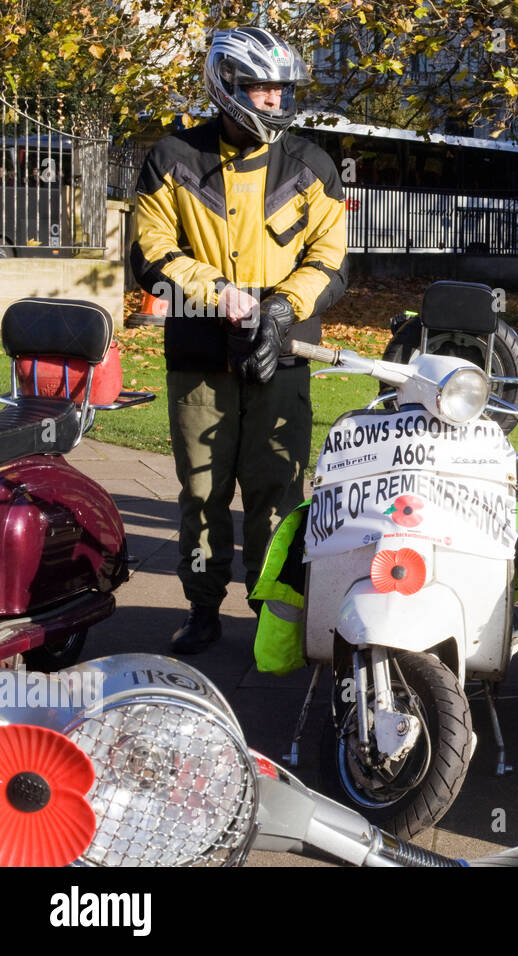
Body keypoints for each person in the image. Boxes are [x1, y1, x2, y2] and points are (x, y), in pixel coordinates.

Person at [131, 26, 347, 653]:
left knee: (276, 487)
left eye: (281, 90)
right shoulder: (171, 157)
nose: (274, 101)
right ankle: (202, 608)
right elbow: (150, 254)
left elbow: (331, 259)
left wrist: (281, 309)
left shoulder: (313, 166)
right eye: (261, 88)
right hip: (199, 356)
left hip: (284, 353)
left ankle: (275, 615)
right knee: (202, 489)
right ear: (225, 85)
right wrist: (215, 291)